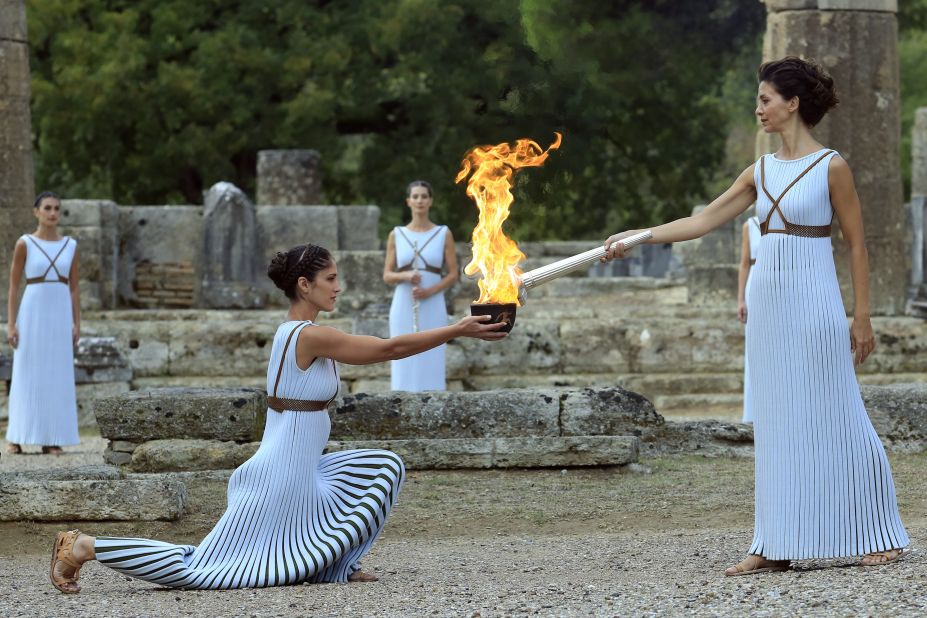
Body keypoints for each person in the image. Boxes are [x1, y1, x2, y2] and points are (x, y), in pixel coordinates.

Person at [48, 243, 505, 593]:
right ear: (304, 285)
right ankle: (83, 546)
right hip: (278, 477)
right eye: (330, 278)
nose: (337, 286)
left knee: (384, 468)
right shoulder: (306, 335)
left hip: (303, 473)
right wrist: (458, 329)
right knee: (205, 571)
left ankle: (334, 565)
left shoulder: (304, 334)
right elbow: (387, 349)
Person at [604, 56, 908, 575]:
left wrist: (862, 317)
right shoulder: (759, 171)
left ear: (793, 104)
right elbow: (702, 221)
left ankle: (878, 530)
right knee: (775, 419)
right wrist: (639, 236)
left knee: (837, 411)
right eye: (759, 100)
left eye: (766, 100)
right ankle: (773, 542)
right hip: (769, 304)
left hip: (815, 300)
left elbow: (858, 246)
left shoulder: (832, 165)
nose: (758, 109)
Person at [6, 191, 81, 455]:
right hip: (32, 313)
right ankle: (16, 436)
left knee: (56, 374)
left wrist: (77, 323)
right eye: (47, 208)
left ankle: (52, 438)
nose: (52, 213)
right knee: (26, 372)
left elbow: (73, 288)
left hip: (59, 314)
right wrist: (11, 324)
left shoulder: (70, 245)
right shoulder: (24, 243)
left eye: (56, 209)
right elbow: (14, 287)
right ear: (36, 212)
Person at [383, 180, 459, 391]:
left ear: (430, 201)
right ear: (408, 201)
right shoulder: (396, 234)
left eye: (424, 196)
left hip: (433, 302)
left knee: (432, 352)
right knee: (402, 351)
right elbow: (387, 275)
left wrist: (429, 292)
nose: (419, 200)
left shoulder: (443, 233)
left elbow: (453, 274)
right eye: (415, 196)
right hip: (404, 303)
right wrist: (405, 275)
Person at [736, 213, 762, 424]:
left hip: (782, 282)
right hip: (755, 284)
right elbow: (744, 263)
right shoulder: (750, 225)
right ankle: (753, 414)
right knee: (755, 348)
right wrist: (741, 299)